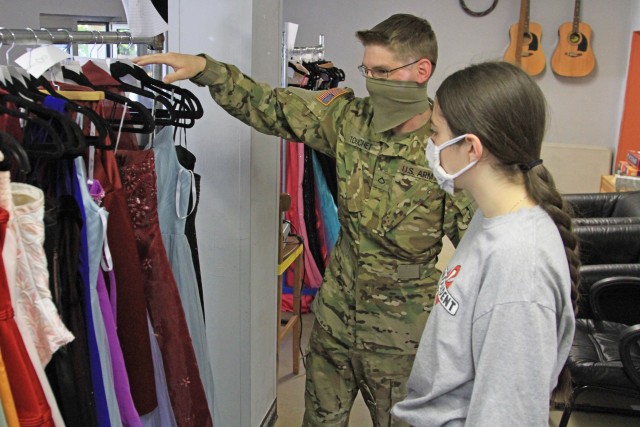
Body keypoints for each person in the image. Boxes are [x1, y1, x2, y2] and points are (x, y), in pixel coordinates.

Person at [134, 14, 474, 426]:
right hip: (335, 315)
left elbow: (479, 253)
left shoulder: (448, 149)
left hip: (402, 333)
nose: (372, 82)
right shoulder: (350, 119)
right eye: (368, 70)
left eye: (383, 72)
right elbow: (272, 105)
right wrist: (208, 71)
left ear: (423, 70)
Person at [391, 61, 580, 426]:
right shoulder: (491, 216)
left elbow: (508, 415)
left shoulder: (519, 264)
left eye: (435, 132)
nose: (429, 145)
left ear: (471, 148)